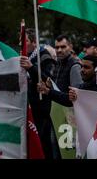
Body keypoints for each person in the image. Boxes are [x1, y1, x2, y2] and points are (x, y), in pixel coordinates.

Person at [20, 28, 60, 159]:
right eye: (20, 41)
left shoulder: (44, 56)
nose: (22, 44)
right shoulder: (24, 57)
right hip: (29, 105)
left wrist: (31, 68)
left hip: (42, 106)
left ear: (34, 42)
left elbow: (47, 80)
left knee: (43, 141)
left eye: (24, 41)